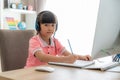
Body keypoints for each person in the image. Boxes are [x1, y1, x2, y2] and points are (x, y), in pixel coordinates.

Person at [24, 10, 91, 68]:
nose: (50, 28)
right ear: (38, 26)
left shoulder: (55, 42)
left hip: (47, 72)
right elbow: (42, 57)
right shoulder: (34, 40)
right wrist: (65, 59)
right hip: (31, 72)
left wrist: (82, 57)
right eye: (46, 25)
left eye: (53, 25)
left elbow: (68, 54)